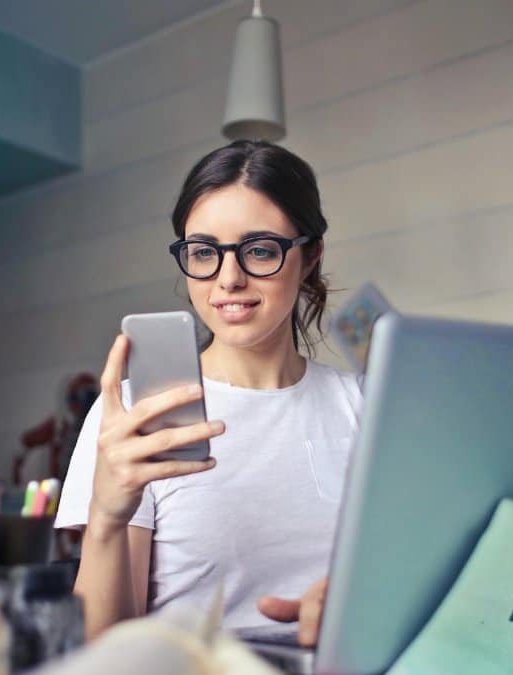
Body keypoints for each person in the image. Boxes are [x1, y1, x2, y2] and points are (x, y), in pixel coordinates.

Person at [55, 140, 363, 647]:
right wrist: (107, 517)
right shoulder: (136, 415)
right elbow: (105, 653)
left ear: (309, 257)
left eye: (260, 249)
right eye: (204, 252)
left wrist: (360, 605)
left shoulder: (364, 408)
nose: (229, 278)